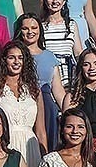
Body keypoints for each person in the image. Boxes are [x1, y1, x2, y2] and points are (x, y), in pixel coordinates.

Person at [16, 14, 64, 150]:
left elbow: (58, 90)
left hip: (47, 105)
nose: (30, 32)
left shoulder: (49, 56)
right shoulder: (15, 55)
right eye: (25, 28)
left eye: (34, 27)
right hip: (24, 103)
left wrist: (69, 112)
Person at [41, 0, 83, 85]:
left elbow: (78, 52)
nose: (55, 1)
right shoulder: (40, 26)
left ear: (64, 1)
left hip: (69, 73)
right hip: (48, 71)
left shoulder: (71, 25)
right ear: (46, 2)